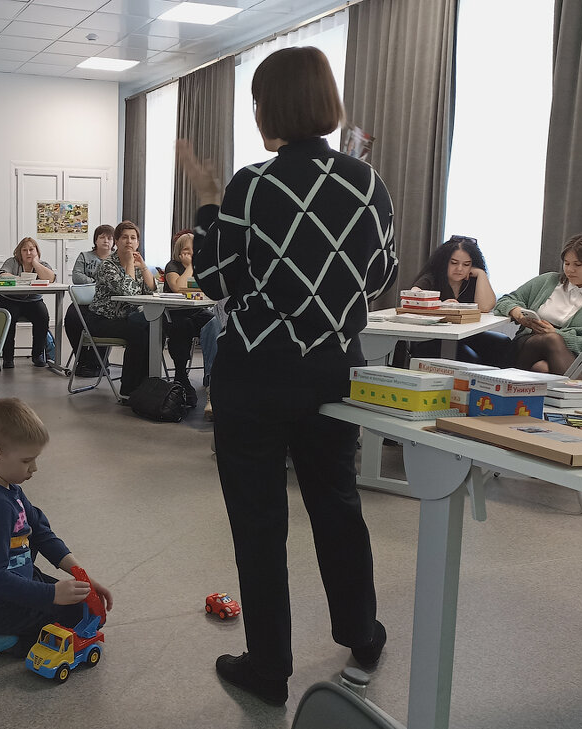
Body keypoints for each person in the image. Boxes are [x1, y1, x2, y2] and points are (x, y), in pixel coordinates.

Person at [181, 46, 397, 706]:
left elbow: (214, 279)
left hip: (255, 374)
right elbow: (381, 275)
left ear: (270, 108)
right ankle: (362, 633)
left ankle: (269, 666)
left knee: (259, 522)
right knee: (338, 506)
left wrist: (209, 205)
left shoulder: (250, 185)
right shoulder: (368, 183)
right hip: (333, 371)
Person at [0, 397, 113, 651]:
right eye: (27, 461)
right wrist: (51, 595)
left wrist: (81, 575)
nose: (34, 468)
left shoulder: (10, 489)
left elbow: (41, 534)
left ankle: (17, 631)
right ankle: (2, 640)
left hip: (19, 579)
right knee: (76, 621)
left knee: (86, 605)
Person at [493, 233, 582, 375]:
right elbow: (505, 300)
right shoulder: (548, 281)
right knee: (551, 339)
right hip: (528, 348)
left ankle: (569, 383)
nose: (570, 270)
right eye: (566, 263)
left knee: (543, 367)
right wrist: (518, 313)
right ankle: (574, 386)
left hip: (576, 358)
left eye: (578, 265)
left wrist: (558, 334)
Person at [84, 220, 155, 400]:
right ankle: (129, 389)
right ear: (116, 241)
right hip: (102, 320)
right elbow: (128, 292)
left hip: (127, 318)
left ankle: (147, 383)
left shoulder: (137, 265)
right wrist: (130, 263)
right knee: (138, 331)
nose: (129, 241)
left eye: (133, 238)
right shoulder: (107, 266)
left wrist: (143, 266)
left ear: (138, 242)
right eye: (124, 237)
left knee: (154, 329)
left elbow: (151, 291)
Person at [406, 236, 502, 363]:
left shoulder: (472, 281)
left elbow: (485, 307)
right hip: (434, 337)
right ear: (444, 262)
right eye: (454, 263)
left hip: (465, 334)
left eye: (466, 264)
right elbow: (413, 297)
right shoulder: (432, 278)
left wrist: (481, 274)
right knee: (469, 357)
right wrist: (439, 305)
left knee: (502, 344)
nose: (460, 269)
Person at [162, 232, 213, 407]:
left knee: (214, 323)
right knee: (182, 326)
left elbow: (205, 290)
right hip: (174, 314)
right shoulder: (172, 266)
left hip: (197, 311)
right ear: (179, 251)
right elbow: (178, 287)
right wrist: (190, 266)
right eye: (186, 250)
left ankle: (211, 375)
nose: (191, 254)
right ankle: (180, 374)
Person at [0, 237, 56, 368]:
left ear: (37, 251)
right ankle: (8, 358)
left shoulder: (42, 264)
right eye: (24, 250)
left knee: (43, 316)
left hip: (33, 301)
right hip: (10, 300)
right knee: (8, 319)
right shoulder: (12, 262)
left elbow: (51, 278)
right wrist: (19, 279)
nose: (28, 253)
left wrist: (35, 263)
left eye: (31, 249)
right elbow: (1, 275)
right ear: (19, 252)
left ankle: (38, 355)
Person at [64, 224, 114, 377]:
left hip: (107, 303)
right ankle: (82, 359)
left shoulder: (117, 259)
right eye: (102, 237)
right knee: (71, 318)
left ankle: (98, 362)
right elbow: (77, 276)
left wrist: (95, 283)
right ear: (96, 240)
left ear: (114, 242)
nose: (106, 241)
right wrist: (97, 283)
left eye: (110, 238)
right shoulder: (84, 256)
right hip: (84, 301)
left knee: (98, 321)